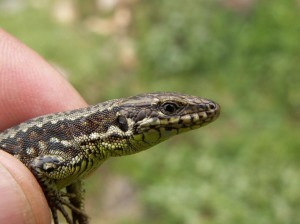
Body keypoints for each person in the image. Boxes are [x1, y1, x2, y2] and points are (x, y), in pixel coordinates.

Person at [0, 29, 87, 224]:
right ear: (124, 122)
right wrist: (54, 198)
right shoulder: (75, 149)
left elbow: (73, 176)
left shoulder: (82, 150)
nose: (172, 117)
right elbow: (38, 166)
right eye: (168, 109)